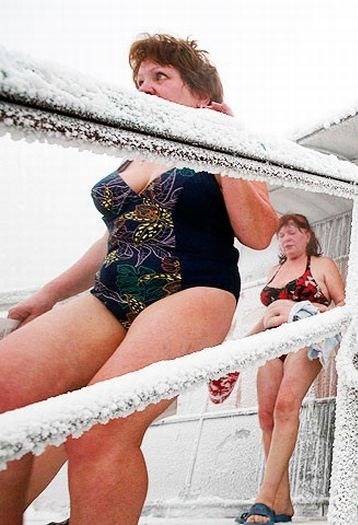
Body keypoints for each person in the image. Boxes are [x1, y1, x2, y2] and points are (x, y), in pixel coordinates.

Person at [0, 33, 278, 525]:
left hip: (194, 288)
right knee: (7, 392)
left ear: (200, 94)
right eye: (139, 80)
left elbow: (258, 233)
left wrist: (224, 149)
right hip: (111, 292)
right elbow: (113, 237)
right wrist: (49, 294)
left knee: (101, 426)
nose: (144, 88)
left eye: (160, 78)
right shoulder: (134, 153)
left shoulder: (231, 145)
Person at [237, 213, 345, 524]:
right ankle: (282, 505)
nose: (287, 237)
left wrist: (307, 311)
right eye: (282, 234)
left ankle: (263, 499)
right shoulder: (275, 270)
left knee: (286, 407)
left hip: (307, 339)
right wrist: (242, 345)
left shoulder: (322, 265)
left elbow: (342, 303)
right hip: (272, 343)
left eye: (295, 231)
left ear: (308, 236)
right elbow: (267, 314)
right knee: (266, 417)